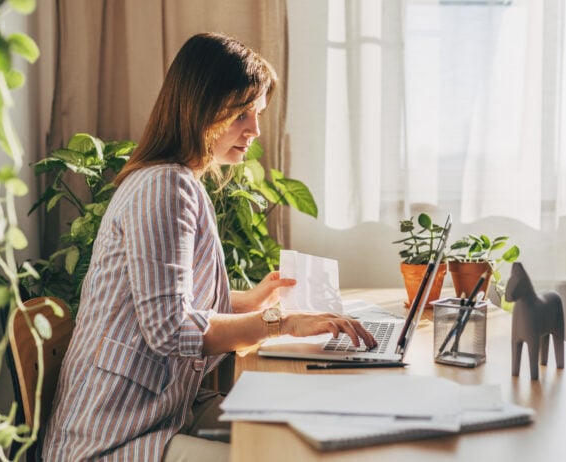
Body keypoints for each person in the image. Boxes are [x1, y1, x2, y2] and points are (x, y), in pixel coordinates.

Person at [41, 32, 376, 462]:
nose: (255, 130)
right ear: (199, 107)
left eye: (257, 114)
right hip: (113, 437)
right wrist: (282, 322)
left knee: (301, 430)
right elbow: (170, 328)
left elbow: (162, 299)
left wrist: (246, 302)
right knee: (285, 451)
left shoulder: (174, 181)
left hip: (159, 412)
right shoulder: (164, 187)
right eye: (241, 114)